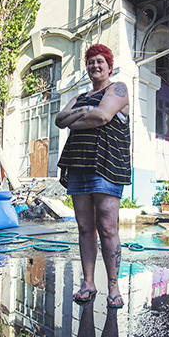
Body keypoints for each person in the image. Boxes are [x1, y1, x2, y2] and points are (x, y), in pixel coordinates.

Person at [55, 44, 130, 309]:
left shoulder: (118, 89)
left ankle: (114, 286)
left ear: (109, 66)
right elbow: (59, 120)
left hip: (107, 165)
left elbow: (102, 115)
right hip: (79, 164)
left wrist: (80, 117)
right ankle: (88, 283)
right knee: (85, 226)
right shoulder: (80, 95)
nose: (95, 65)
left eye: (100, 61)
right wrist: (86, 113)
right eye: (90, 62)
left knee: (107, 227)